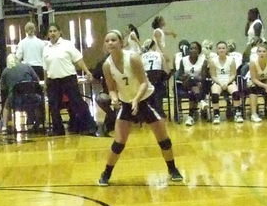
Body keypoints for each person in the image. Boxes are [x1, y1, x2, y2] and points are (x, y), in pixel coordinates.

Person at [96, 30, 183, 186]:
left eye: (113, 40)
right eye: (107, 40)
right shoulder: (106, 65)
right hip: (127, 102)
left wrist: (136, 99)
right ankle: (106, 173)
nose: (110, 43)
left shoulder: (133, 57)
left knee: (163, 139)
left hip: (146, 99)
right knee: (119, 142)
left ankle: (173, 169)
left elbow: (143, 82)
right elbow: (111, 88)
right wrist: (115, 99)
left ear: (121, 42)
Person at [42, 24, 97, 136]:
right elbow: (45, 68)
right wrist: (45, 82)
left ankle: (90, 126)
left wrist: (87, 71)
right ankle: (58, 130)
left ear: (59, 32)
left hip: (68, 78)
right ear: (48, 34)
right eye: (50, 31)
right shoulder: (45, 48)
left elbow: (78, 59)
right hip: (53, 80)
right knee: (54, 105)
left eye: (55, 31)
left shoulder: (67, 45)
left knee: (77, 103)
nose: (52, 33)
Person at [0, 53, 42, 133]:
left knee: (6, 106)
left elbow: (3, 87)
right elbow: (37, 80)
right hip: (31, 98)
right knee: (39, 100)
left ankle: (4, 126)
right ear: (17, 59)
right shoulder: (27, 67)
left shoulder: (6, 71)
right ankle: (39, 122)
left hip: (15, 101)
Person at [247, 41, 267, 121]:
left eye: (264, 51)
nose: (261, 53)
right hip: (255, 80)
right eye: (259, 51)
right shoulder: (253, 62)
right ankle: (254, 114)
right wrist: (265, 86)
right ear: (257, 53)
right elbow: (254, 79)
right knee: (252, 88)